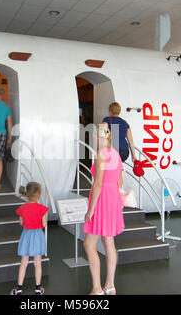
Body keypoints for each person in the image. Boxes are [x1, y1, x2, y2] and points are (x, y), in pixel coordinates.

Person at [83, 123, 124, 295]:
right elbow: (120, 182)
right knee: (109, 242)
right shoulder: (116, 154)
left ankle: (97, 288)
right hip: (113, 198)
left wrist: (91, 209)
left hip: (101, 200)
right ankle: (110, 286)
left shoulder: (101, 155)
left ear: (99, 137)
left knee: (89, 244)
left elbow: (98, 183)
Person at [10, 182, 49, 295]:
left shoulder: (22, 208)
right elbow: (44, 224)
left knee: (23, 263)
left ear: (27, 194)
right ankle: (37, 289)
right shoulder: (42, 209)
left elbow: (21, 222)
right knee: (38, 263)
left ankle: (19, 289)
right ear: (38, 194)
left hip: (26, 235)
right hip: (38, 236)